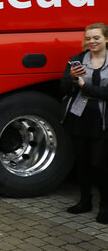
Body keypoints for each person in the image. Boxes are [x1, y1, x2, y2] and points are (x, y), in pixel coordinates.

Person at [61, 22, 108, 224]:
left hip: (103, 120)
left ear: (106, 38)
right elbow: (63, 89)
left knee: (99, 163)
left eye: (96, 37)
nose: (91, 41)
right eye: (88, 38)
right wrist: (71, 79)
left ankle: (105, 206)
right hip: (79, 117)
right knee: (81, 161)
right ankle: (84, 201)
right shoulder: (77, 59)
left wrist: (84, 86)